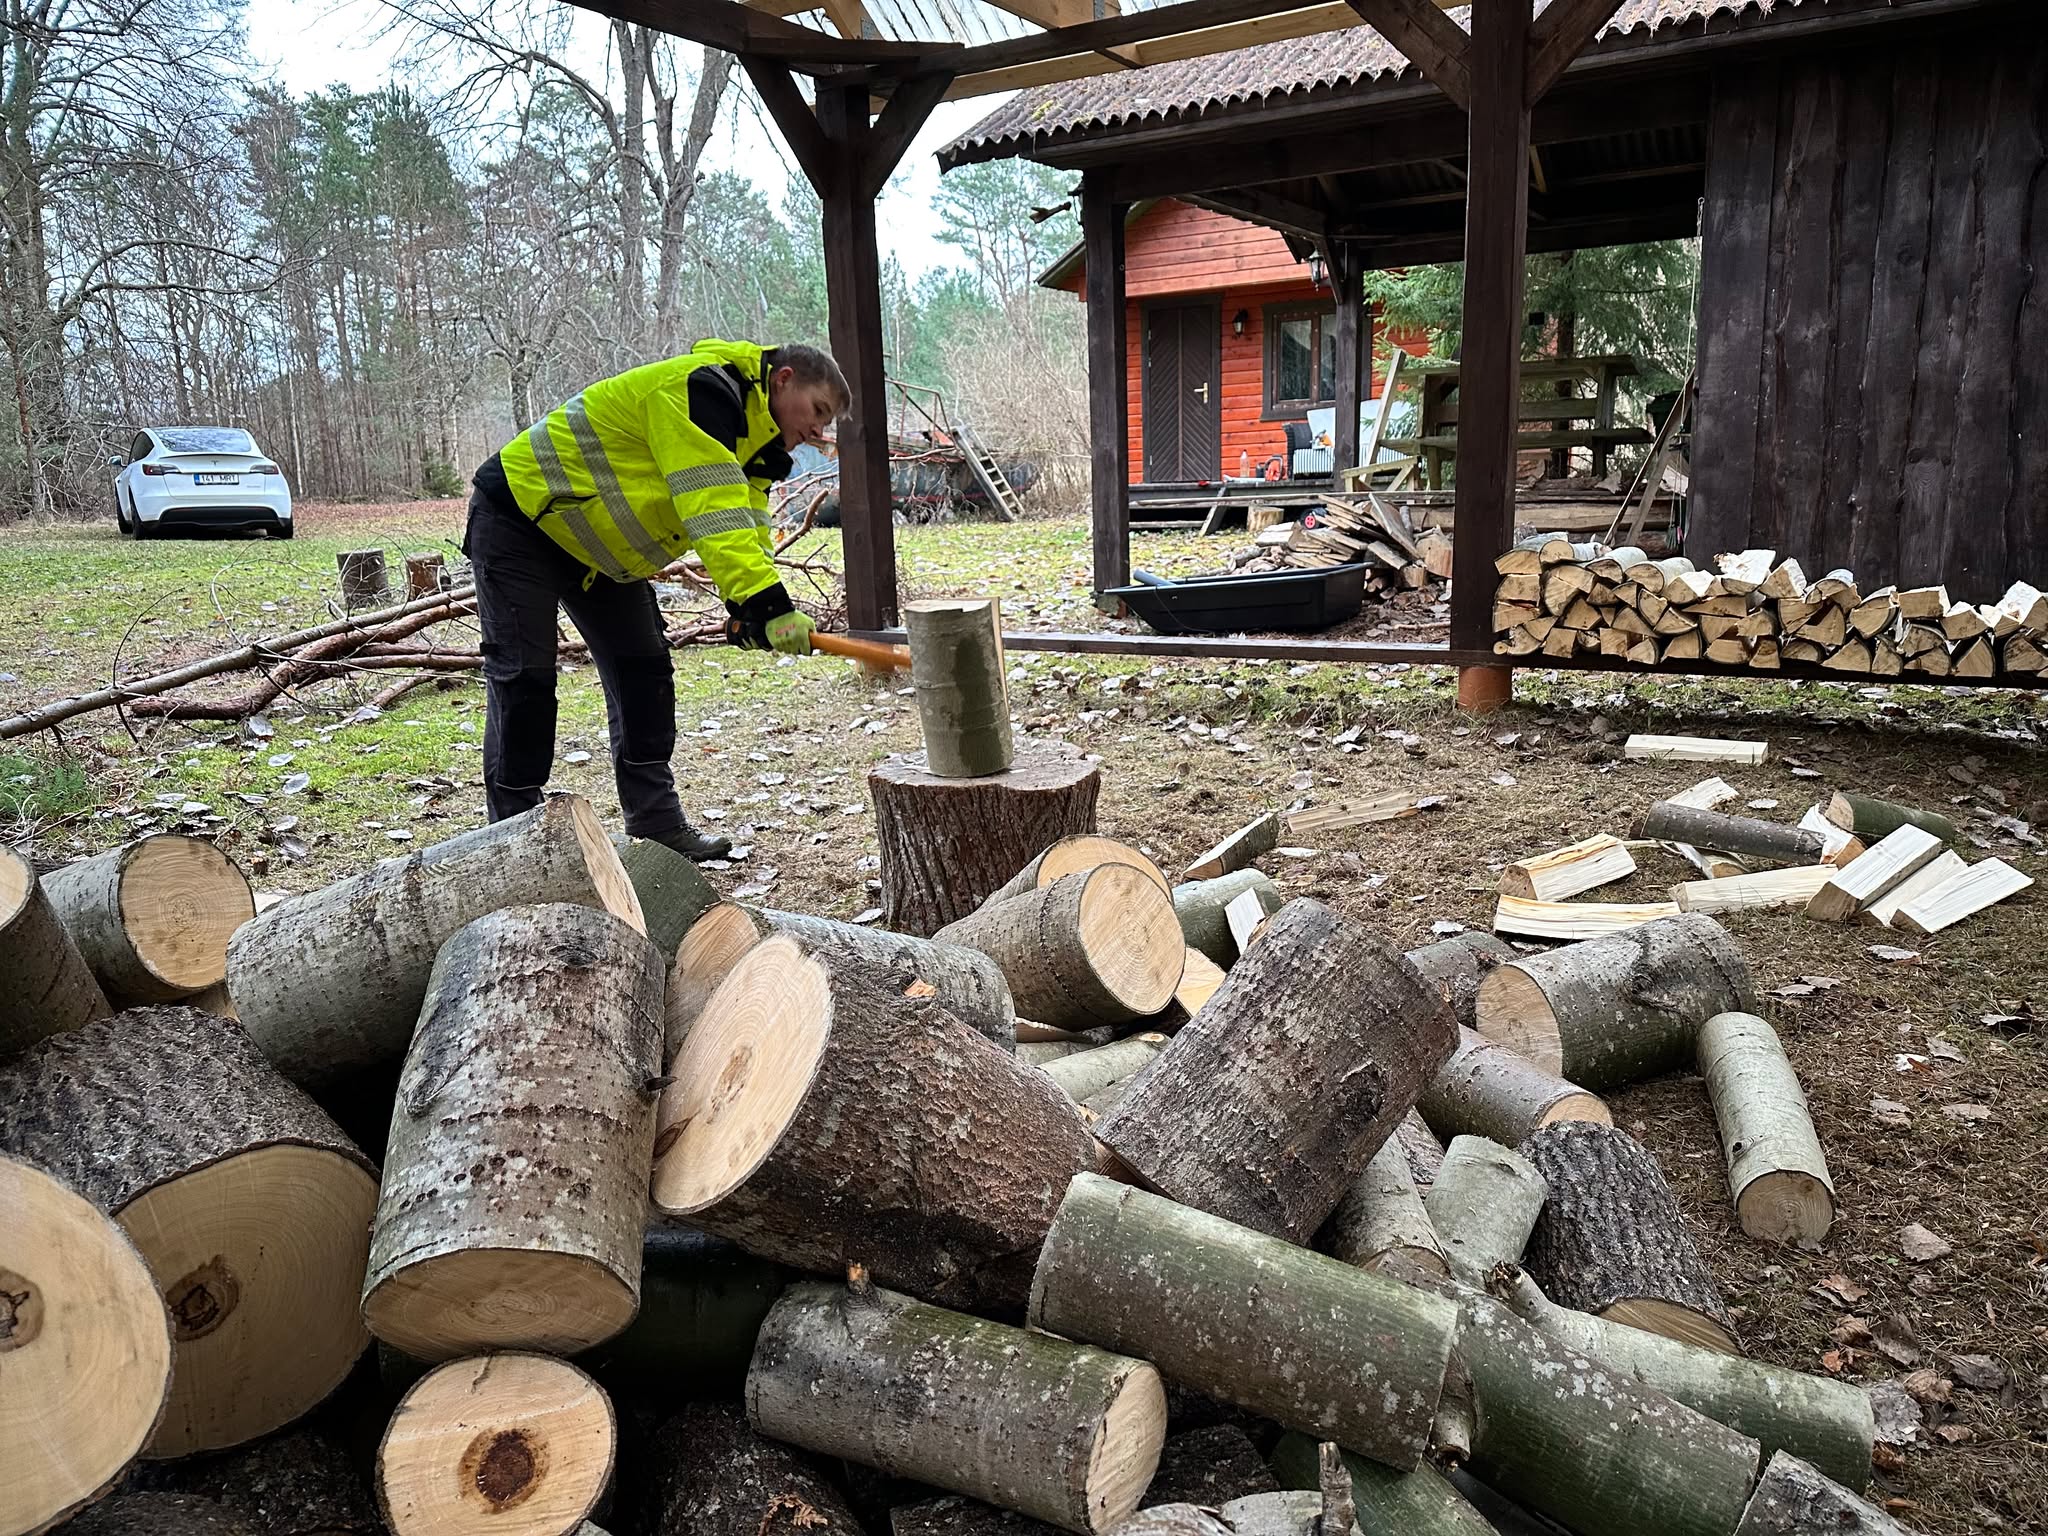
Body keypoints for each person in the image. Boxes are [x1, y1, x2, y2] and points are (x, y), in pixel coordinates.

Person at [463, 339, 850, 861]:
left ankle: (657, 827)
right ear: (783, 380)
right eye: (818, 410)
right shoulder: (702, 394)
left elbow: (748, 526)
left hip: (599, 547)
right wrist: (771, 608)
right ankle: (515, 844)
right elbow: (714, 513)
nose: (818, 432)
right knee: (525, 679)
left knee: (643, 671)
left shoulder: (754, 444)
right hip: (522, 517)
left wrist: (750, 610)